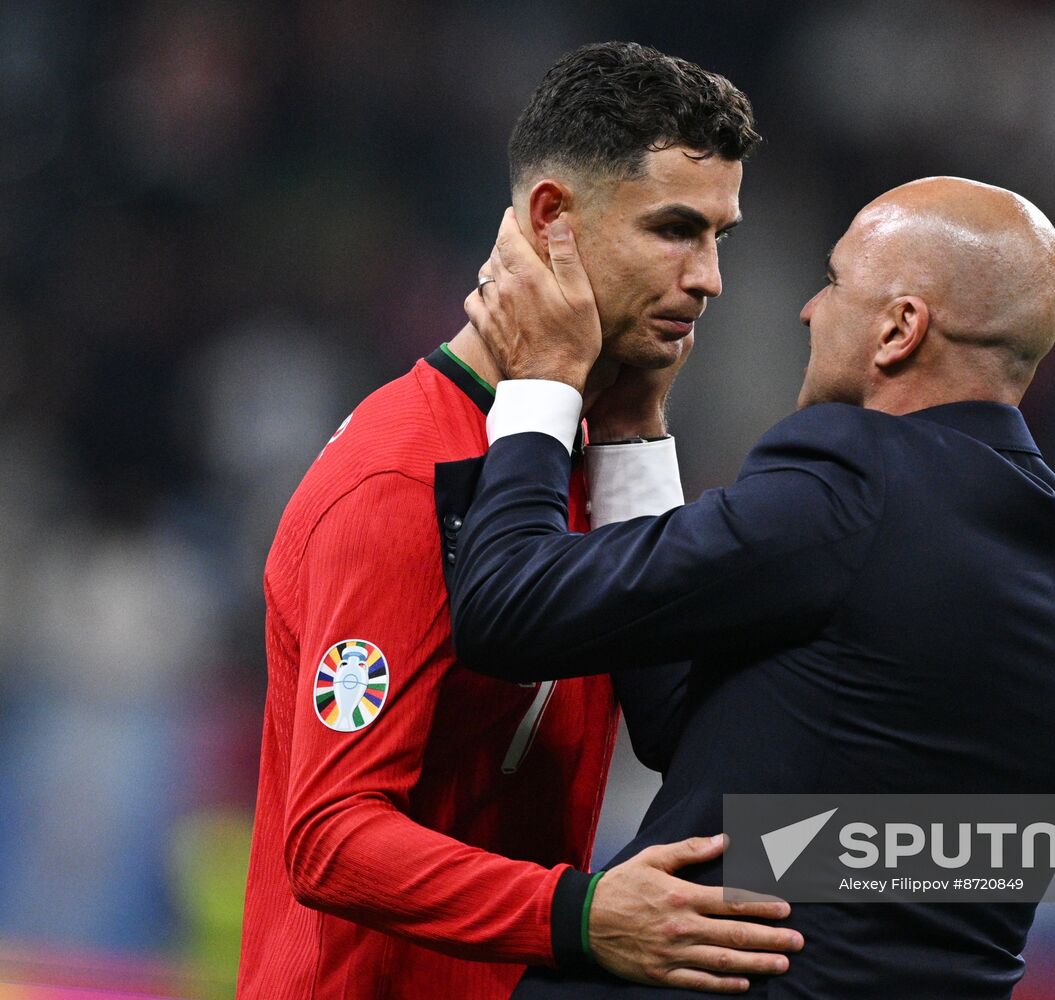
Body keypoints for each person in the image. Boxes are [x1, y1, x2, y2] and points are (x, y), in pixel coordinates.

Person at [440, 176, 1055, 998]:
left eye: (833, 283)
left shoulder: (855, 480)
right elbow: (690, 721)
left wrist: (543, 381)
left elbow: (507, 607)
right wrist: (627, 435)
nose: (808, 310)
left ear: (899, 329)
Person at [237, 41, 804, 1000]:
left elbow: (677, 719)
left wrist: (633, 432)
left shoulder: (581, 449)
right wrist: (577, 916)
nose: (707, 278)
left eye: (719, 237)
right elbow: (329, 837)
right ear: (554, 220)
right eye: (674, 230)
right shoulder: (398, 478)